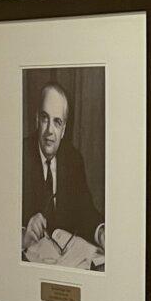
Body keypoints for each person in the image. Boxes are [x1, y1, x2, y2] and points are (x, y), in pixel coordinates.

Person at [21, 82, 105, 263]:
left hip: (66, 264)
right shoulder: (19, 155)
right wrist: (21, 234)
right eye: (45, 118)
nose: (49, 131)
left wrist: (101, 232)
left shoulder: (73, 159)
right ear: (36, 119)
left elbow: (86, 210)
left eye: (57, 122)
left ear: (64, 129)